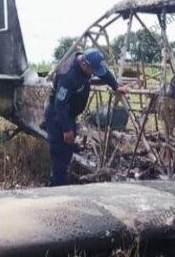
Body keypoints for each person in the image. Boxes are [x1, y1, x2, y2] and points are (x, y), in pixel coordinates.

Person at [43, 48, 125, 186]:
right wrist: (66, 130)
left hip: (69, 113)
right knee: (59, 151)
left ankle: (62, 182)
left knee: (69, 148)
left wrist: (116, 86)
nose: (94, 73)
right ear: (84, 65)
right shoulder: (68, 75)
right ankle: (56, 187)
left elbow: (104, 74)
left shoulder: (89, 63)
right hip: (57, 113)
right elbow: (59, 105)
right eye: (92, 70)